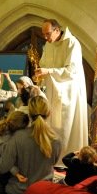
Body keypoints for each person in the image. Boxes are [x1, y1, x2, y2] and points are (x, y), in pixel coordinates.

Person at [0, 96, 62, 194]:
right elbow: (53, 163)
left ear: (29, 113)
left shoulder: (17, 137)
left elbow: (2, 167)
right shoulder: (56, 139)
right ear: (49, 113)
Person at [35, 19, 88, 167]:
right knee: (53, 125)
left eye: (48, 33)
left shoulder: (72, 43)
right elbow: (44, 64)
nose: (45, 38)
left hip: (68, 91)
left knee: (66, 125)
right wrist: (41, 72)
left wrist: (49, 71)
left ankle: (68, 158)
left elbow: (71, 71)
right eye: (43, 34)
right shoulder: (48, 44)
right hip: (53, 89)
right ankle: (53, 158)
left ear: (57, 30)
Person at [0, 111, 29, 194]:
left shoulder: (1, 128)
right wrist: (16, 173)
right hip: (4, 168)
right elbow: (6, 160)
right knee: (4, 190)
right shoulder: (9, 140)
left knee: (2, 187)